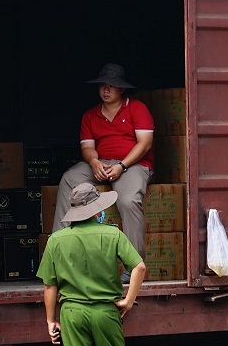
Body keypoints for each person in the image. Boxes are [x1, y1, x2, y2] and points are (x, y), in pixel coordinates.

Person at [38, 183, 147, 346]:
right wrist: (128, 301)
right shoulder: (112, 234)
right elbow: (139, 266)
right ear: (97, 210)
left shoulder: (56, 240)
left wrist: (51, 320)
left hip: (72, 313)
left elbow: (49, 286)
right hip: (106, 312)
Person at [53, 64, 154, 283]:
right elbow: (87, 147)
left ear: (122, 89)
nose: (106, 90)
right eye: (102, 86)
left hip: (133, 164)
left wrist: (122, 166)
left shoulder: (137, 108)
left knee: (127, 200)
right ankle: (58, 256)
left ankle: (134, 265)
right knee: (68, 179)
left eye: (112, 86)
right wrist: (94, 161)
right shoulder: (91, 115)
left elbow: (144, 144)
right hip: (101, 162)